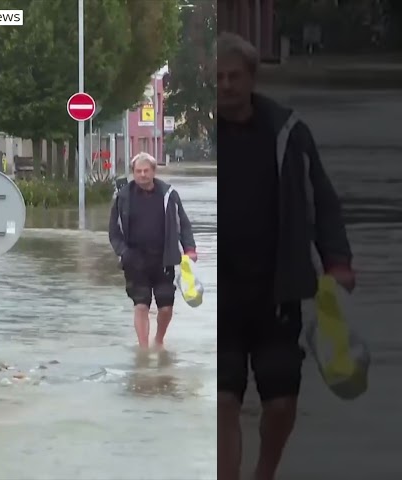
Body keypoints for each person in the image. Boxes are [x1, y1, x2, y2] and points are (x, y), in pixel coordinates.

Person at [217, 32, 356, 480]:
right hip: (221, 298)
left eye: (233, 76)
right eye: (217, 77)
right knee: (223, 402)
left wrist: (336, 262)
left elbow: (323, 200)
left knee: (281, 404)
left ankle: (265, 472)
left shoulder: (287, 132)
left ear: (252, 78)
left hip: (277, 290)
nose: (225, 86)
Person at [108, 152, 198, 351]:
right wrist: (123, 252)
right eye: (138, 171)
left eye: (146, 171)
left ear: (154, 171)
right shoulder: (123, 197)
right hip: (135, 260)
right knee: (141, 304)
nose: (142, 175)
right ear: (133, 173)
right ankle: (143, 350)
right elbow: (114, 231)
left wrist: (189, 249)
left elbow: (183, 223)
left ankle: (158, 340)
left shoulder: (169, 194)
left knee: (166, 307)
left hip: (164, 259)